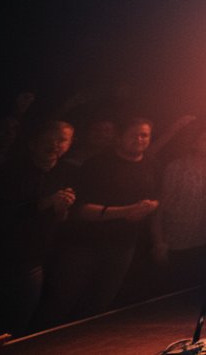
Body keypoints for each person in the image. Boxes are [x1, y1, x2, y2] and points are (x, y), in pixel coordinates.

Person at [35, 117, 161, 327]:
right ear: (119, 137)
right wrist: (126, 212)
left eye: (144, 135)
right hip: (85, 243)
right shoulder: (98, 164)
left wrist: (151, 205)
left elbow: (158, 196)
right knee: (61, 301)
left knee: (98, 305)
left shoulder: (151, 164)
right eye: (134, 135)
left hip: (123, 245)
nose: (139, 139)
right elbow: (82, 209)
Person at [0, 120, 76, 336]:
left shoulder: (63, 173)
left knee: (18, 323)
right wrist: (47, 202)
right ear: (33, 144)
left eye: (61, 140)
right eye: (49, 140)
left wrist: (61, 208)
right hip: (5, 255)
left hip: (34, 258)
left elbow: (60, 219)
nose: (54, 146)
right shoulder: (13, 171)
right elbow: (6, 212)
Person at [152, 127, 206, 290]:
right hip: (177, 239)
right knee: (172, 290)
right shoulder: (176, 167)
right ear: (194, 143)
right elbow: (160, 207)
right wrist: (159, 242)